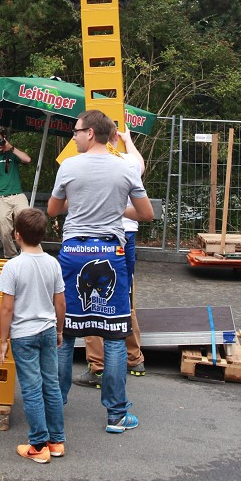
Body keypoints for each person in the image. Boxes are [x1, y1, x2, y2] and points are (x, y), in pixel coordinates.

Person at [47, 110, 154, 433]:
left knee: (65, 335)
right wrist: (114, 206)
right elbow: (146, 214)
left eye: (77, 131)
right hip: (111, 253)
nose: (74, 136)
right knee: (115, 336)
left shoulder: (69, 167)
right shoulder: (124, 168)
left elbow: (53, 209)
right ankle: (116, 415)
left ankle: (56, 407)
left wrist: (78, 202)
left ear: (91, 133)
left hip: (74, 252)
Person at [76, 127, 146, 386]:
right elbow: (140, 163)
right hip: (127, 237)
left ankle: (98, 366)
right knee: (124, 296)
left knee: (91, 297)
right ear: (117, 136)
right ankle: (134, 358)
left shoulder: (89, 163)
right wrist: (129, 140)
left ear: (92, 134)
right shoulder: (128, 162)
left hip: (100, 236)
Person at [0, 208, 66, 464]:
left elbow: (7, 308)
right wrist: (59, 330)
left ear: (17, 235)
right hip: (48, 330)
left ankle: (38, 444)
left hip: (23, 334)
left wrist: (4, 340)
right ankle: (56, 440)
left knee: (32, 388)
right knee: (51, 385)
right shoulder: (53, 263)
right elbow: (60, 302)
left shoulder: (13, 266)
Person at [0, 130, 31, 258]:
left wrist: (11, 148)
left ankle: (29, 253)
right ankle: (11, 256)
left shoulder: (12, 153)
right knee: (3, 228)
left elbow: (27, 159)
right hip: (0, 198)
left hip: (17, 195)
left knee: (28, 223)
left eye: (1, 140)